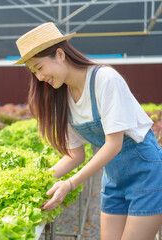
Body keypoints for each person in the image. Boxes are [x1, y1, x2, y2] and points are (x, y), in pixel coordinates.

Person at [14, 22, 162, 239]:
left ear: (60, 54)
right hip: (113, 177)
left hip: (146, 173)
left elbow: (114, 143)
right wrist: (35, 183)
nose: (39, 78)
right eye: (33, 72)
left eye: (39, 68)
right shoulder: (61, 97)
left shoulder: (104, 79)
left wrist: (71, 183)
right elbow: (75, 154)